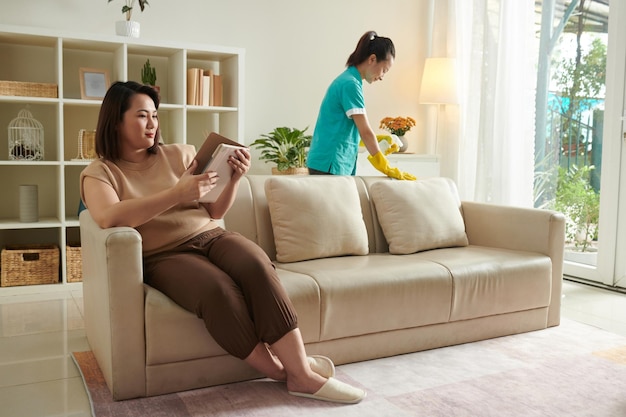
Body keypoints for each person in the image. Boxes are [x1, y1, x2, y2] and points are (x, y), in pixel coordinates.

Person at [80, 81, 366, 404]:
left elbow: (214, 210)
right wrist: (176, 194)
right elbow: (108, 216)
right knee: (217, 290)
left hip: (210, 234)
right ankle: (283, 372)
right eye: (142, 116)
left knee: (256, 264)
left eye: (155, 116)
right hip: (163, 255)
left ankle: (299, 370)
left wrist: (234, 179)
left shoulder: (181, 154)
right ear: (116, 121)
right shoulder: (100, 173)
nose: (152, 124)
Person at [306, 30, 416, 180]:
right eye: (384, 70)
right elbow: (365, 131)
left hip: (331, 163)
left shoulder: (350, 80)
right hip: (329, 164)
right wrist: (386, 167)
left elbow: (348, 131)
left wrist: (381, 140)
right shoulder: (350, 84)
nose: (382, 76)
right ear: (372, 59)